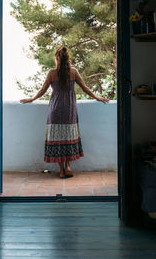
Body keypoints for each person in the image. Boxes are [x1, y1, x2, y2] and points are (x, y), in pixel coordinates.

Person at [20, 46, 109, 178]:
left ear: (57, 59)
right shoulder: (73, 72)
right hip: (69, 109)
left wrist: (32, 99)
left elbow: (42, 91)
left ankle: (61, 170)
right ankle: (68, 167)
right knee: (68, 137)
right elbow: (85, 88)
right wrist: (97, 97)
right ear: (68, 59)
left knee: (57, 138)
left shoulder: (51, 73)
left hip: (55, 109)